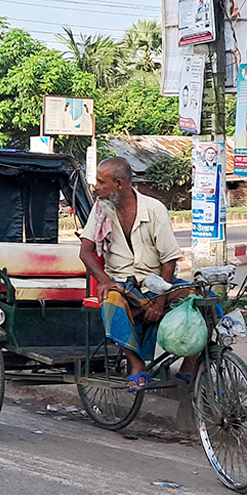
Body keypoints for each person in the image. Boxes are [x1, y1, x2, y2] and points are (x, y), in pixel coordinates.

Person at [78, 157, 193, 390]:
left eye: (101, 182)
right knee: (111, 301)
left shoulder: (154, 210)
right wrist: (105, 280)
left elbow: (169, 259)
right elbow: (85, 251)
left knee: (202, 299)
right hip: (122, 284)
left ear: (119, 184)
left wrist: (160, 302)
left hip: (155, 284)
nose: (95, 187)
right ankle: (136, 364)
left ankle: (191, 363)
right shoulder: (101, 209)